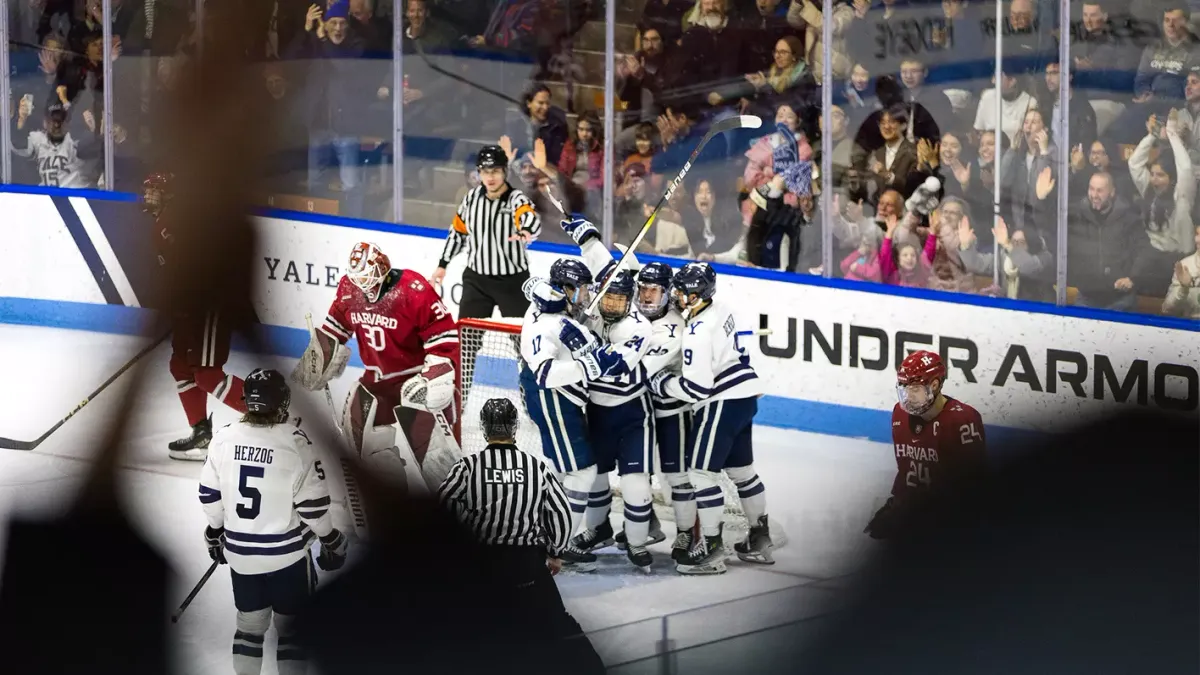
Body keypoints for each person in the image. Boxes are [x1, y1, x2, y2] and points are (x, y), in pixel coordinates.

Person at [198, 368, 349, 675]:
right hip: (287, 559)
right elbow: (313, 508)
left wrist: (215, 532)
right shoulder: (295, 441)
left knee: (249, 629)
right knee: (292, 631)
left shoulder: (223, 437)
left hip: (241, 557)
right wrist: (332, 541)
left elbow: (209, 496)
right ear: (281, 401)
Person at [437, 398, 605, 672]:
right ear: (514, 426)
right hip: (526, 565)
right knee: (559, 624)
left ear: (483, 427)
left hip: (481, 566)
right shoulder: (536, 468)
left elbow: (443, 505)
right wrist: (555, 552)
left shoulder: (468, 467)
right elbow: (561, 514)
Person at [291, 241, 461, 500]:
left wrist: (432, 378)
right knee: (361, 435)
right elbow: (335, 328)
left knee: (435, 455)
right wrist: (317, 359)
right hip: (376, 382)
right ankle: (391, 502)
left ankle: (457, 504)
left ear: (381, 268)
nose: (362, 285)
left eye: (366, 277)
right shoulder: (349, 290)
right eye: (357, 278)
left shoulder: (413, 289)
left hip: (415, 381)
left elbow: (445, 339)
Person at [648, 262, 773, 574]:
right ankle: (760, 538)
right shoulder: (723, 308)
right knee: (742, 472)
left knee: (701, 475)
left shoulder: (696, 332)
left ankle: (712, 549)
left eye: (682, 292)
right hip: (745, 395)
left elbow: (697, 389)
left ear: (696, 295)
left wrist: (663, 382)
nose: (676, 296)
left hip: (721, 402)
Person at [145, 172, 250, 460]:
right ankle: (202, 434)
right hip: (191, 305)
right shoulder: (166, 220)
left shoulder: (179, 219)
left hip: (209, 304)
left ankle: (272, 415)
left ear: (169, 194)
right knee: (181, 366)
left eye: (154, 190)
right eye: (148, 189)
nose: (148, 195)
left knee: (206, 374)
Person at [517, 258, 612, 570]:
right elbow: (546, 374)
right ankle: (559, 543)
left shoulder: (546, 303)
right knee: (582, 470)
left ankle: (543, 533)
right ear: (566, 288)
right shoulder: (552, 323)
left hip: (548, 396)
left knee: (561, 468)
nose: (586, 294)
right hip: (552, 397)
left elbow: (532, 287)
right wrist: (587, 364)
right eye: (581, 289)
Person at [864, 350, 987, 540]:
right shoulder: (899, 414)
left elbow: (972, 487)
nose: (908, 397)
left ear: (934, 385)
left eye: (915, 390)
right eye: (904, 389)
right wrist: (898, 504)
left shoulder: (962, 421)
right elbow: (906, 470)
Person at [432, 145, 541, 320]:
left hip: (512, 281)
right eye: (485, 172)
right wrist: (442, 264)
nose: (490, 177)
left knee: (520, 333)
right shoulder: (471, 198)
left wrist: (526, 229)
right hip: (477, 281)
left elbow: (528, 216)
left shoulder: (516, 199)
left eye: (495, 171)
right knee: (468, 334)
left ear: (505, 171)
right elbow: (458, 232)